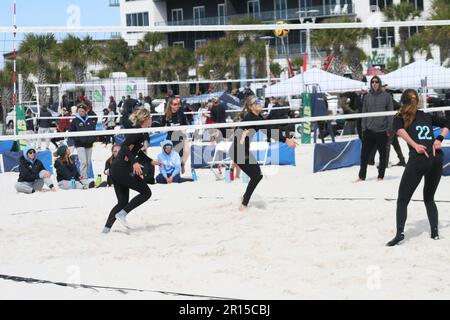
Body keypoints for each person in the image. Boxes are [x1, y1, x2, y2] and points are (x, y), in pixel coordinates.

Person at [386, 89, 450, 246]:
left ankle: (400, 233)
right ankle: (434, 232)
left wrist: (414, 145)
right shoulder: (426, 115)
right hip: (436, 158)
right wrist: (439, 139)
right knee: (429, 198)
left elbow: (399, 131)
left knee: (402, 199)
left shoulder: (400, 117)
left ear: (403, 102)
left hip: (420, 159)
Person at [230, 96, 298, 211]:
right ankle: (243, 205)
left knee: (257, 175)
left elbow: (269, 128)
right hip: (238, 151)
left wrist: (286, 138)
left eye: (259, 101)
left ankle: (244, 199)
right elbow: (269, 132)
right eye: (256, 102)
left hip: (241, 150)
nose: (259, 103)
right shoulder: (252, 118)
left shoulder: (257, 117)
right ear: (251, 107)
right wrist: (286, 141)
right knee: (257, 176)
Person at [103, 109, 161, 233]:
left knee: (122, 202)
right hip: (121, 169)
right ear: (145, 120)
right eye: (150, 118)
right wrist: (134, 162)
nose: (151, 120)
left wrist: (150, 161)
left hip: (116, 169)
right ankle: (122, 214)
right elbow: (123, 146)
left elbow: (137, 151)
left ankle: (106, 230)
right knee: (146, 193)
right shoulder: (137, 132)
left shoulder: (143, 133)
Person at [356, 75, 393, 182]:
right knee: (364, 155)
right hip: (369, 130)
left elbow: (390, 114)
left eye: (376, 82)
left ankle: (380, 176)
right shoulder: (367, 97)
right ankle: (361, 176)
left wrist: (389, 129)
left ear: (379, 83)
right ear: (370, 84)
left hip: (382, 131)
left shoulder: (387, 96)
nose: (374, 83)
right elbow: (364, 114)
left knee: (383, 155)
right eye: (373, 82)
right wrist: (363, 128)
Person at [161, 98, 189, 175]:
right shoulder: (166, 114)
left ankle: (182, 165)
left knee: (181, 154)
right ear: (170, 105)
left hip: (179, 136)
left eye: (178, 104)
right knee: (169, 155)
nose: (177, 106)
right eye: (175, 104)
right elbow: (161, 125)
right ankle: (174, 170)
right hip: (170, 137)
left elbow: (185, 125)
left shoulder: (181, 113)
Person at [69, 104, 96, 180]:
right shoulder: (75, 121)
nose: (81, 112)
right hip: (79, 144)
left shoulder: (90, 120)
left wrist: (92, 139)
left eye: (82, 111)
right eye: (79, 111)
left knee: (88, 163)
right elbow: (71, 132)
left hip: (89, 144)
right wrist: (78, 139)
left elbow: (94, 130)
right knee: (83, 162)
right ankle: (83, 178)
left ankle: (86, 177)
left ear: (86, 111)